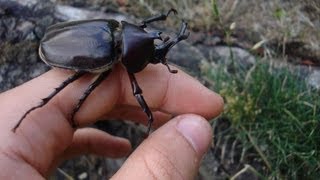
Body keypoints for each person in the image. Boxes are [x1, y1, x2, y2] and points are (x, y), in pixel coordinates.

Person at [0, 64, 223, 179]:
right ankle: (37, 107)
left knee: (82, 88)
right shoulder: (111, 56)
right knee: (78, 84)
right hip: (71, 50)